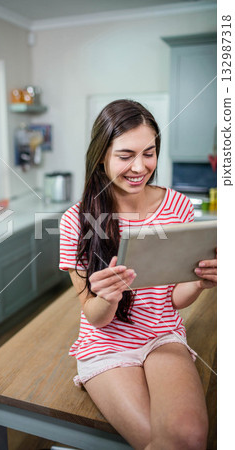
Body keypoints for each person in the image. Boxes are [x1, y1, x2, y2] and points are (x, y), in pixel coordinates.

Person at [59, 99, 217, 450]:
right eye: (125, 155)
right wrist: (108, 296)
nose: (139, 166)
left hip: (163, 335)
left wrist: (200, 281)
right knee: (156, 441)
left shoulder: (178, 206)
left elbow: (174, 298)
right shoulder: (77, 221)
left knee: (189, 438)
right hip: (106, 345)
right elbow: (96, 318)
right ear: (102, 156)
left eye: (149, 153)